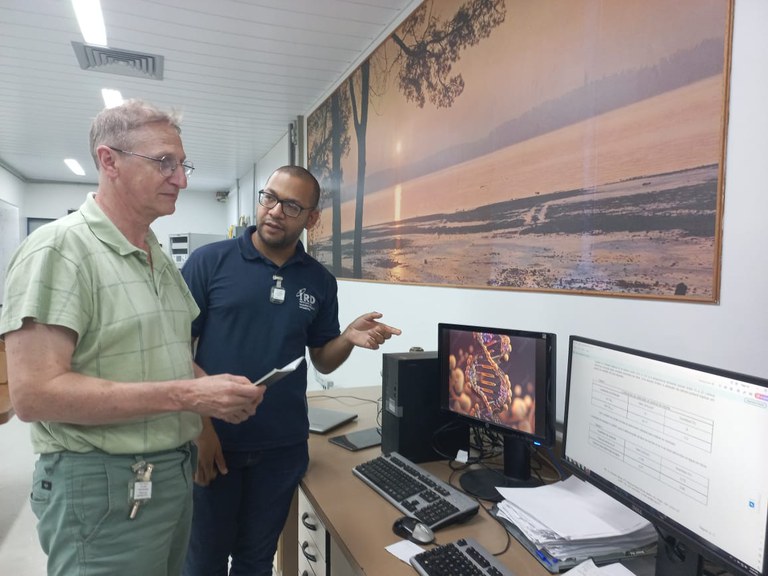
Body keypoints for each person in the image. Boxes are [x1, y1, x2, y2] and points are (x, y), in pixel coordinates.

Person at [0, 99, 266, 576]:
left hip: (168, 476)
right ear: (109, 161)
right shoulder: (59, 249)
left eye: (182, 165)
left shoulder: (154, 255)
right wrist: (188, 394)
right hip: (102, 485)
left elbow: (170, 356)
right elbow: (34, 395)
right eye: (164, 162)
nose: (181, 179)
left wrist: (213, 392)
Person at [181, 165, 401, 575]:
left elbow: (321, 357)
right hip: (216, 442)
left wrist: (347, 338)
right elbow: (175, 347)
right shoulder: (208, 262)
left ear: (311, 219)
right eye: (269, 198)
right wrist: (201, 428)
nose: (274, 211)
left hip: (281, 448)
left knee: (256, 561)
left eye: (291, 206)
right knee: (203, 563)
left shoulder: (317, 280)